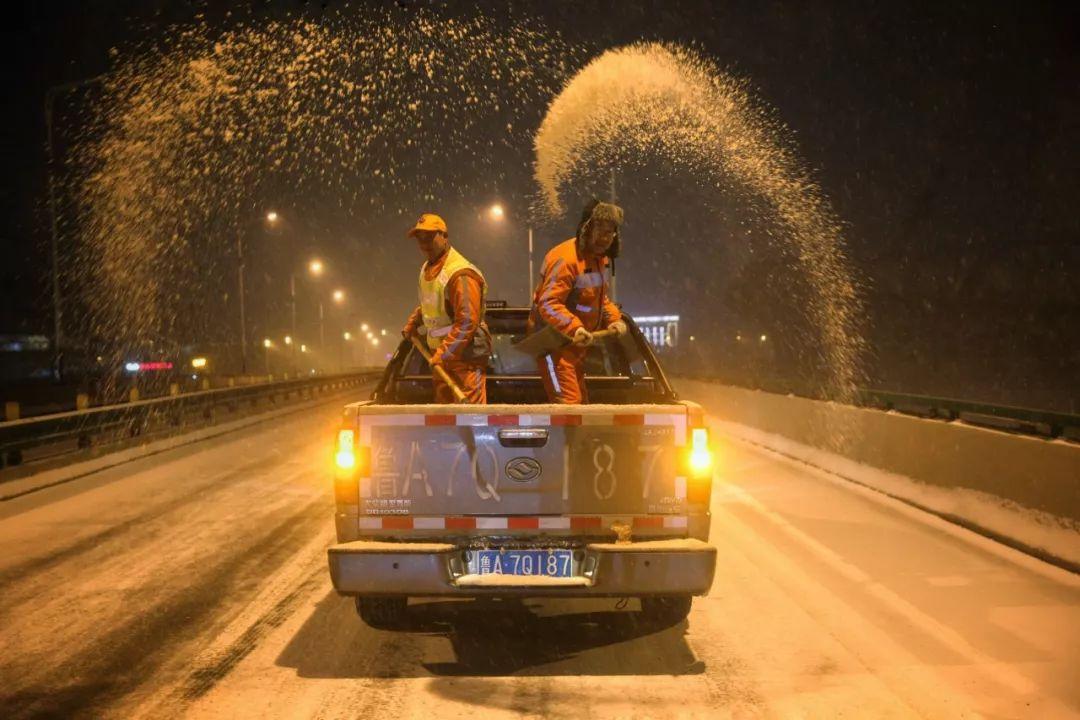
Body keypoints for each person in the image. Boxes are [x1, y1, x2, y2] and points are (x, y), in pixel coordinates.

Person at [528, 199, 628, 404]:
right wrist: (575, 329)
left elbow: (600, 300)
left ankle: (576, 436)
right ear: (586, 228)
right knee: (570, 405)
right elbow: (548, 304)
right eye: (600, 230)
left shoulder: (599, 260)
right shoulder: (565, 259)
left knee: (580, 405)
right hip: (552, 345)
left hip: (575, 347)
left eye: (610, 232)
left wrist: (614, 320)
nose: (605, 238)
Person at [401, 213, 491, 404]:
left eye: (429, 237)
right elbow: (431, 302)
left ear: (444, 236)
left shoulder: (460, 273)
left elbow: (467, 322)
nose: (424, 243)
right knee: (445, 415)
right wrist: (414, 322)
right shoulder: (429, 268)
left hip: (466, 356)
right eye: (419, 238)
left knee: (471, 417)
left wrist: (444, 354)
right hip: (443, 355)